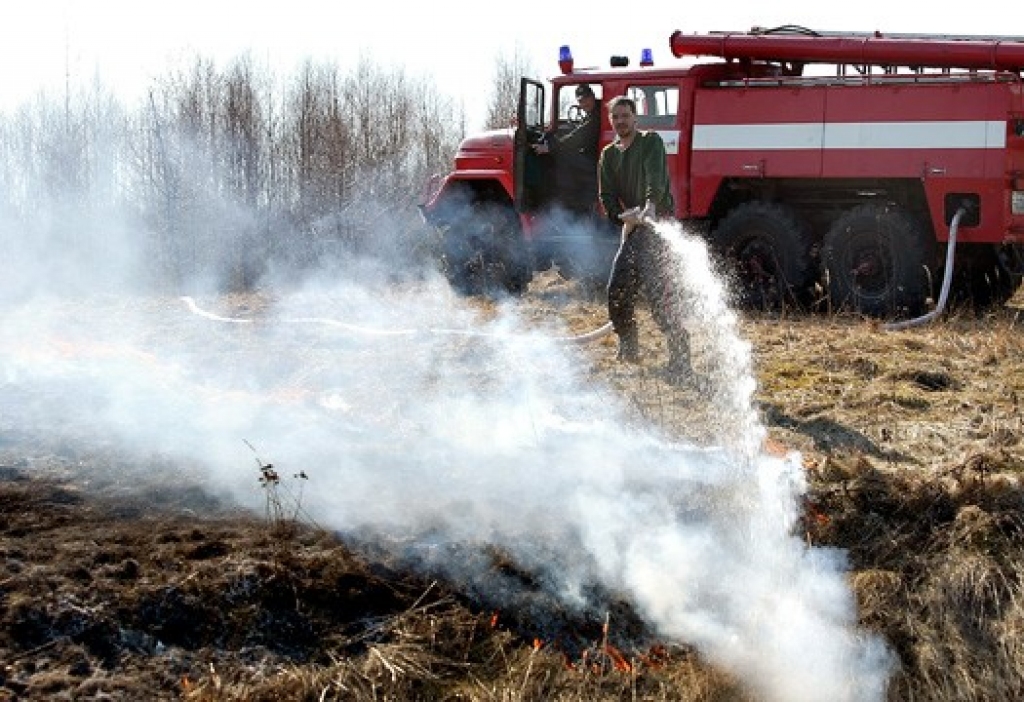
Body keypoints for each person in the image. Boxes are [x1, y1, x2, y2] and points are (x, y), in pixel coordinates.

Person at [598, 95, 692, 380]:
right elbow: (607, 195)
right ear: (611, 120)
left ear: (635, 118)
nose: (621, 121)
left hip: (657, 224)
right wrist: (619, 216)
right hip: (635, 227)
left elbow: (656, 179)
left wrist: (651, 205)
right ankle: (629, 347)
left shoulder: (650, 142)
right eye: (616, 117)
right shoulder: (609, 155)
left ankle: (681, 360)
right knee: (617, 291)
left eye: (625, 116)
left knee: (660, 296)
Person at [532, 84, 601, 212]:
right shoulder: (595, 110)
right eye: (581, 101)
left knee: (563, 157)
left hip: (597, 160)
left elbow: (581, 134)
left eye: (586, 98)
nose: (584, 103)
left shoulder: (599, 113)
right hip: (596, 154)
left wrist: (550, 147)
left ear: (592, 97)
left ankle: (568, 203)